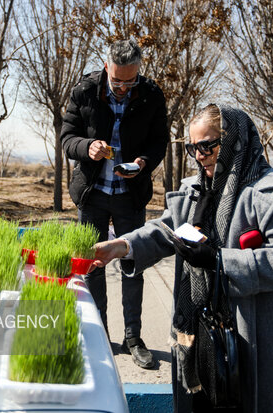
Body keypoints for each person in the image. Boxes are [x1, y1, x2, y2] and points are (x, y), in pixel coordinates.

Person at [94, 104, 273, 412]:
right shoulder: (195, 189)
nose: (198, 155)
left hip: (253, 336)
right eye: (192, 147)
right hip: (197, 332)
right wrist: (120, 246)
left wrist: (219, 261)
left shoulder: (271, 192)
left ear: (233, 144)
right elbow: (168, 229)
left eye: (207, 146)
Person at [61, 39, 169, 369]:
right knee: (92, 265)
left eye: (130, 80)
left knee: (132, 263)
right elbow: (67, 137)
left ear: (139, 72)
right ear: (106, 67)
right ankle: (100, 336)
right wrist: (87, 147)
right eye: (117, 80)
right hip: (92, 194)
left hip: (129, 195)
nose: (122, 87)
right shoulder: (85, 91)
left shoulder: (151, 95)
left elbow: (159, 141)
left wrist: (143, 163)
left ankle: (133, 337)